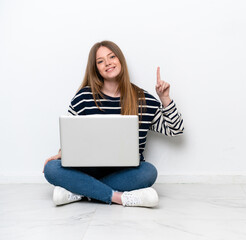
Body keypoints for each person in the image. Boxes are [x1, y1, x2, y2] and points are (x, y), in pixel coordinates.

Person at [43, 40, 184, 207]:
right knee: (51, 168)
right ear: (96, 68)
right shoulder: (83, 98)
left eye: (112, 57)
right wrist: (62, 152)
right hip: (88, 169)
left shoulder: (144, 100)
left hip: (125, 171)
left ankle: (78, 191)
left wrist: (165, 99)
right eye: (100, 61)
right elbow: (71, 135)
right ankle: (119, 197)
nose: (108, 63)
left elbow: (175, 130)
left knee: (149, 172)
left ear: (120, 60)